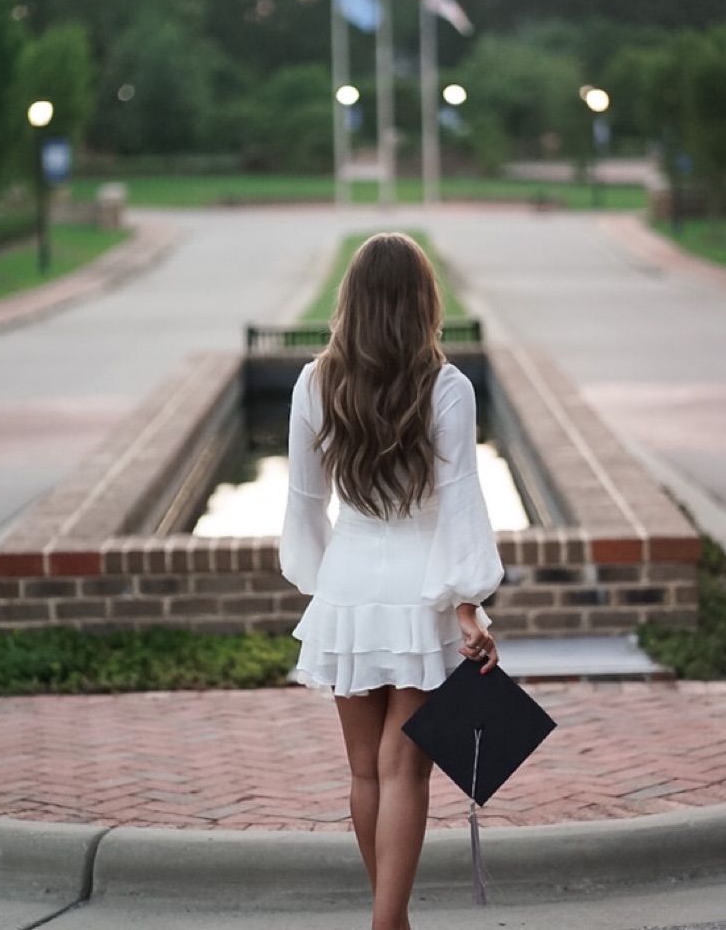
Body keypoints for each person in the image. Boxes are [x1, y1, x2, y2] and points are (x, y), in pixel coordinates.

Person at [279, 232, 503, 930]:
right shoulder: (447, 385)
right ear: (422, 300)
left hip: (349, 582)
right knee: (404, 770)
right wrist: (470, 607)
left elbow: (305, 503)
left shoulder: (316, 381)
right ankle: (386, 925)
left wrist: (325, 584)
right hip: (421, 590)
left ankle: (390, 921)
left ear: (351, 301)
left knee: (364, 771)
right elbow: (462, 502)